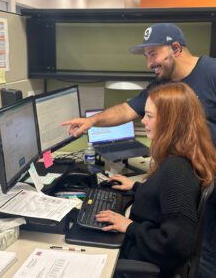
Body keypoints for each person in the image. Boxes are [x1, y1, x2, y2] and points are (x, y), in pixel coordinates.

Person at [62, 23, 216, 277]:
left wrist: (129, 226)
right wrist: (91, 121)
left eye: (153, 54)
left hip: (197, 176)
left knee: (202, 255)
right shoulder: (161, 87)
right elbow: (127, 110)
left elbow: (177, 242)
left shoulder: (211, 72)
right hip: (191, 178)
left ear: (175, 49)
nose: (149, 63)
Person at [95, 82, 216, 278]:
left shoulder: (177, 169)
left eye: (149, 116)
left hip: (142, 264)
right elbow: (167, 198)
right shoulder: (184, 156)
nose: (143, 121)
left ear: (171, 122)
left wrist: (129, 226)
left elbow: (178, 243)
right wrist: (135, 186)